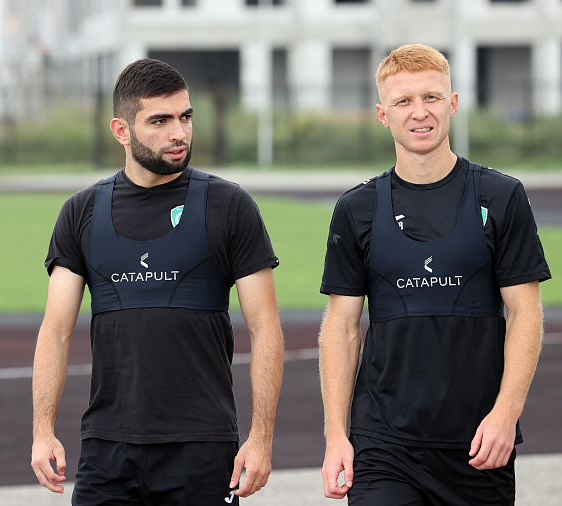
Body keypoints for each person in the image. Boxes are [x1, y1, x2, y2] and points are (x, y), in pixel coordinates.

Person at [30, 58, 284, 506]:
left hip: (203, 447)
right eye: (160, 121)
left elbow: (265, 328)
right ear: (121, 130)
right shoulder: (82, 212)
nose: (179, 133)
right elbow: (56, 329)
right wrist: (42, 432)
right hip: (107, 448)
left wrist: (261, 438)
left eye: (185, 117)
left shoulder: (230, 206)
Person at [319, 44, 550, 506]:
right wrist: (336, 436)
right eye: (403, 101)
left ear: (453, 103)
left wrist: (506, 413)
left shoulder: (501, 196)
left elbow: (526, 312)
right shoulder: (356, 208)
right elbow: (341, 327)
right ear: (383, 115)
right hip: (383, 443)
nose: (419, 112)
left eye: (431, 97)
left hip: (478, 443)